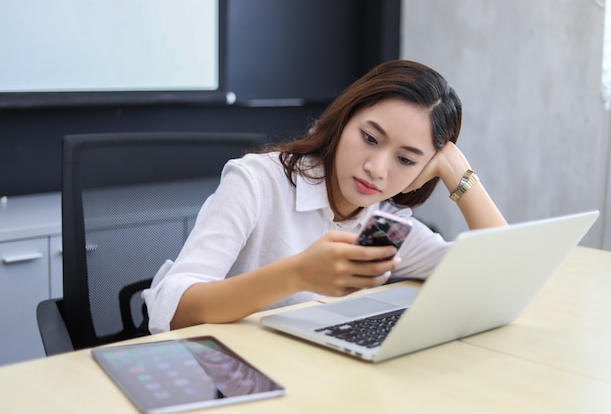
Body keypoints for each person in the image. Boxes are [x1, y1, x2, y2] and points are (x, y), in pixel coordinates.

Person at [143, 59, 507, 334]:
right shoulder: (256, 181)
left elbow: (501, 272)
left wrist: (459, 173)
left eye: (406, 159)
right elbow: (170, 310)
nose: (377, 169)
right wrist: (297, 274)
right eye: (369, 138)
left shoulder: (386, 224)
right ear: (344, 119)